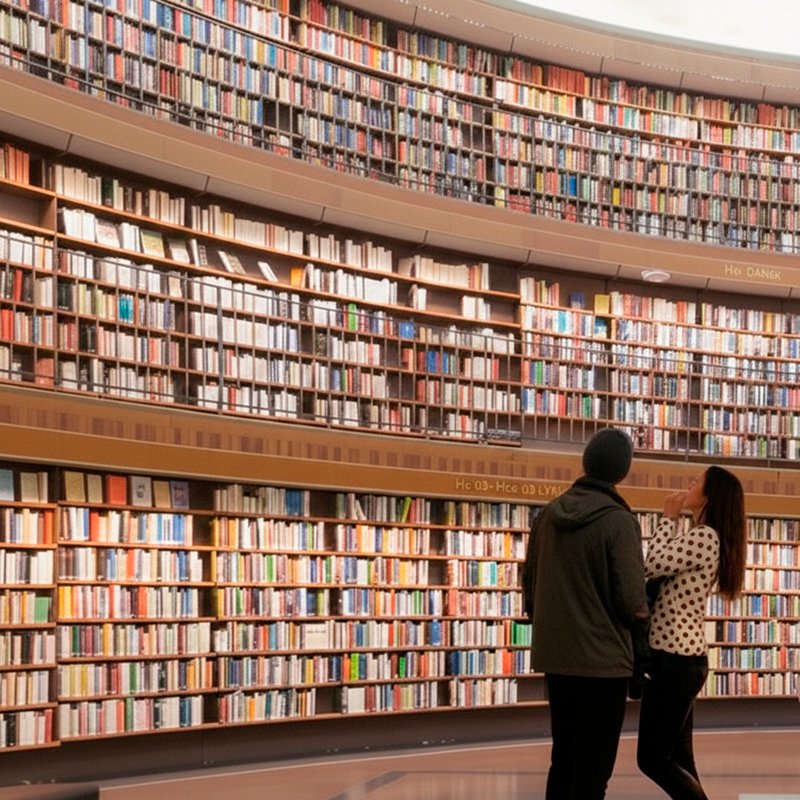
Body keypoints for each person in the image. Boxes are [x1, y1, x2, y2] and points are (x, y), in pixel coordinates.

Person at [522, 427, 650, 799]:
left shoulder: (547, 516)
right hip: (603, 663)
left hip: (557, 658)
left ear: (586, 462)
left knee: (562, 761)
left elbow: (529, 586)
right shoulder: (619, 521)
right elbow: (632, 599)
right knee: (592, 773)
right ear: (622, 471)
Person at [637, 466, 746, 799]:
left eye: (696, 481)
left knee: (652, 758)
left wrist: (668, 518)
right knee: (680, 758)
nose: (689, 484)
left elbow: (651, 564)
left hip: (675, 660)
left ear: (709, 495)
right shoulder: (705, 535)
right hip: (682, 660)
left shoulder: (705, 536)